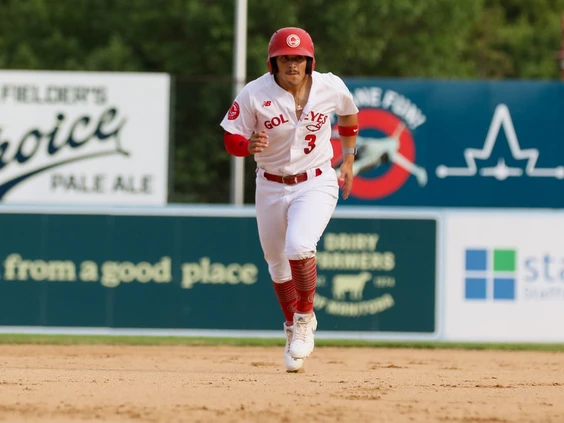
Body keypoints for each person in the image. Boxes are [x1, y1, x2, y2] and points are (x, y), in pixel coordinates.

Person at [220, 26, 359, 373]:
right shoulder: (255, 93)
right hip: (269, 184)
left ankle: (303, 319)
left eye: (299, 58)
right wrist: (245, 146)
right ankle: (291, 324)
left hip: (316, 180)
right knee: (276, 263)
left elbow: (349, 113)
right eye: (285, 58)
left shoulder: (330, 86)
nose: (292, 64)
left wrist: (349, 158)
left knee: (299, 245)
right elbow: (231, 138)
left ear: (309, 62)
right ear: (273, 62)